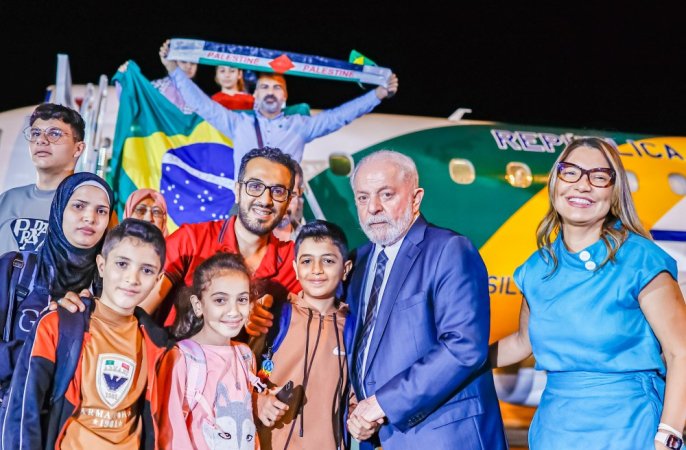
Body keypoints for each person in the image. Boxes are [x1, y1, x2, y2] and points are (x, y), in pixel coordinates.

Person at [490, 137, 686, 449]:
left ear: (614, 191)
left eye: (598, 176)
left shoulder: (641, 260)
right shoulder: (537, 268)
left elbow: (681, 353)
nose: (582, 185)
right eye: (571, 173)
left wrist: (668, 436)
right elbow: (522, 342)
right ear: (555, 183)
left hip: (630, 429)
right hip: (556, 431)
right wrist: (457, 360)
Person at [345, 150, 507, 449]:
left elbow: (464, 348)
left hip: (444, 435)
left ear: (416, 198)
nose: (373, 208)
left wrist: (382, 403)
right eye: (363, 198)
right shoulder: (360, 261)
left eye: (386, 195)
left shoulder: (449, 250)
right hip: (380, 435)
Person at [1, 218, 172, 449]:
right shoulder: (59, 324)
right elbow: (23, 409)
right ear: (102, 265)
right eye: (122, 264)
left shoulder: (158, 344)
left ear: (158, 279)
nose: (132, 279)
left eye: (147, 270)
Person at [158, 39, 399, 173]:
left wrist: (377, 95)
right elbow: (202, 105)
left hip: (285, 213)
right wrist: (173, 70)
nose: (270, 92)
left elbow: (339, 116)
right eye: (264, 87)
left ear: (285, 97)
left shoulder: (300, 126)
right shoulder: (239, 123)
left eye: (276, 88)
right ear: (254, 96)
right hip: (245, 214)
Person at [141, 147, 301, 325]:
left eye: (278, 191)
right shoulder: (191, 240)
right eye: (255, 186)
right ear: (237, 191)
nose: (265, 200)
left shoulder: (296, 263)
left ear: (288, 201)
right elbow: (137, 315)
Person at [0, 172, 113, 407]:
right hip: (12, 414)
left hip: (68, 422)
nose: (90, 217)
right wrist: (49, 335)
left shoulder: (107, 290)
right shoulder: (14, 269)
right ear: (59, 209)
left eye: (101, 211)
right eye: (79, 206)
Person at [254, 220, 352, 450]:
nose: (316, 269)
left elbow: (355, 394)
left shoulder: (352, 330)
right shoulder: (274, 317)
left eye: (328, 261)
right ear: (296, 268)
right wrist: (256, 400)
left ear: (345, 269)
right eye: (307, 261)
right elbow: (235, 376)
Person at [159, 252, 264, 449]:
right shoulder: (181, 358)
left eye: (241, 299)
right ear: (198, 305)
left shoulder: (244, 355)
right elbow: (172, 432)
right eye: (220, 300)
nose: (233, 311)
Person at [0, 103, 85, 254]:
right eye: (35, 133)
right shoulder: (7, 200)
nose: (41, 140)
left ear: (78, 148)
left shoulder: (91, 206)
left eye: (54, 133)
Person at [273, 162, 305, 242]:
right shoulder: (247, 238)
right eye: (278, 193)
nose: (285, 206)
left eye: (292, 195)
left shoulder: (310, 243)